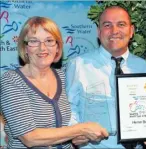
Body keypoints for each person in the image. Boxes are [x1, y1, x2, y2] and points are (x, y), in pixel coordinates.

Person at [66, 5, 146, 149]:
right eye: (107, 25)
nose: (114, 31)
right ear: (98, 31)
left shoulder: (143, 67)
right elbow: (70, 108)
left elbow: (145, 111)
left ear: (131, 31)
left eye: (121, 24)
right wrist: (75, 134)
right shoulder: (78, 65)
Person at [0, 16, 108, 149]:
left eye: (49, 41)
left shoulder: (65, 77)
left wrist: (79, 137)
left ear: (58, 47)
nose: (42, 48)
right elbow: (29, 137)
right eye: (34, 41)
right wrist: (81, 129)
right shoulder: (11, 80)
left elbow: (70, 127)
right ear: (25, 48)